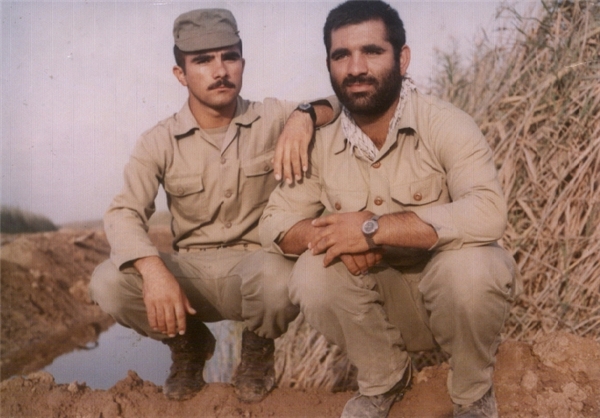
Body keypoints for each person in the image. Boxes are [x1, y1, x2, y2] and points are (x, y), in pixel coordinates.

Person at [259, 1, 521, 417]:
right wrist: (335, 235)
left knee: (476, 267)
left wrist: (372, 230)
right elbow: (274, 224)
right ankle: (385, 381)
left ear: (402, 58)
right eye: (341, 55)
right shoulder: (319, 143)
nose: (356, 68)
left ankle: (472, 393)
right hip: (378, 303)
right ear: (329, 65)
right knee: (312, 272)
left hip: (446, 293)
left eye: (372, 51)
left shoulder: (446, 123)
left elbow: (488, 210)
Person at [89, 8, 337, 403]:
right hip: (191, 276)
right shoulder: (158, 140)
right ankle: (188, 344)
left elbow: (337, 103)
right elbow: (124, 213)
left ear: (242, 63)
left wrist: (303, 116)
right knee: (108, 282)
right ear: (181, 74)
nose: (220, 70)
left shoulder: (272, 115)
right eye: (203, 60)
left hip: (257, 269)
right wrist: (153, 270)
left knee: (279, 277)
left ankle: (258, 348)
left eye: (229, 57)